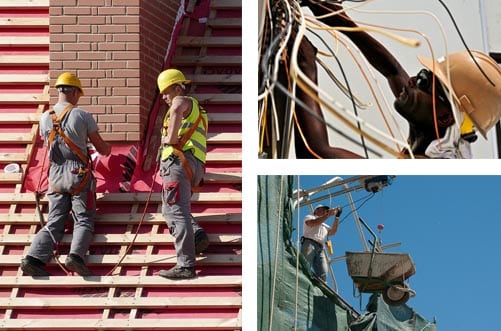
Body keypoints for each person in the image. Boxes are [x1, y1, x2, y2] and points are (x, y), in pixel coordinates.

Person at [301, 0, 501, 158]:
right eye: (423, 72)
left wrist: (305, 67)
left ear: (445, 117)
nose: (413, 79)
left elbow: (316, 152)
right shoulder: (438, 136)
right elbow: (393, 71)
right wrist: (341, 20)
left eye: (423, 81)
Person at [20, 72, 112, 277]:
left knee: (55, 219)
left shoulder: (45, 117)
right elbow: (101, 147)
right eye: (78, 93)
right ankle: (76, 256)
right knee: (84, 218)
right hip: (77, 173)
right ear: (72, 91)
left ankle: (33, 258)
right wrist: (108, 149)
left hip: (55, 175)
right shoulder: (81, 115)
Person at [156, 68, 210, 279]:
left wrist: (169, 138)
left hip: (178, 162)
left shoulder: (182, 101)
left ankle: (186, 265)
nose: (164, 98)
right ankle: (196, 235)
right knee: (171, 210)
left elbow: (178, 105)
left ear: (178, 87)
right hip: (191, 164)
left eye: (166, 92)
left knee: (175, 211)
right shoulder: (199, 110)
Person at [301, 204, 342, 281]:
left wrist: (337, 217)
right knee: (305, 265)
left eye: (325, 210)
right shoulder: (309, 217)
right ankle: (302, 280)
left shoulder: (324, 225)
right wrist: (328, 215)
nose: (323, 211)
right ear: (316, 210)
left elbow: (333, 231)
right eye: (321, 210)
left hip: (320, 248)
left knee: (323, 275)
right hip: (309, 243)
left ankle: (318, 288)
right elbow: (313, 223)